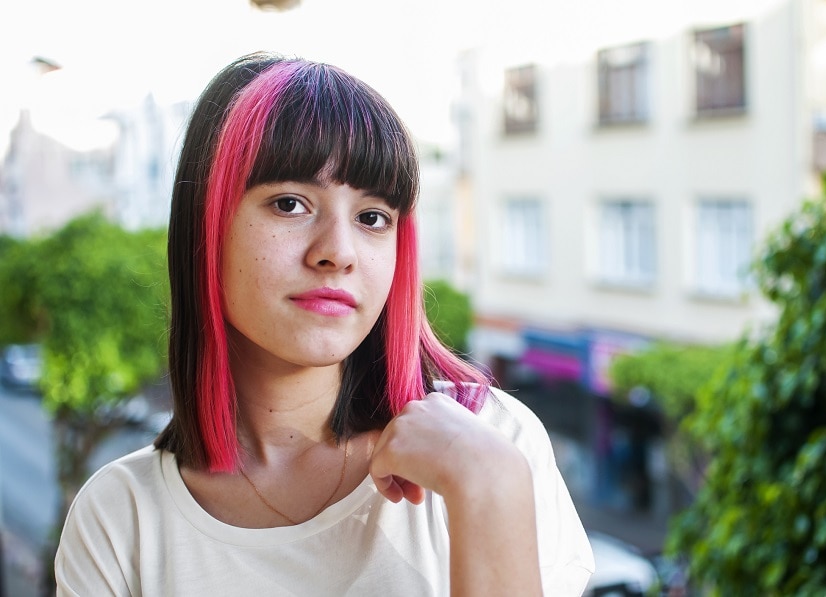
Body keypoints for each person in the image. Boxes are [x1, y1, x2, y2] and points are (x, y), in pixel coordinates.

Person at [54, 51, 594, 596]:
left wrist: (488, 489)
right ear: (207, 227)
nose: (338, 252)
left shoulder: (491, 440)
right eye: (289, 204)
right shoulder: (119, 521)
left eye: (372, 217)